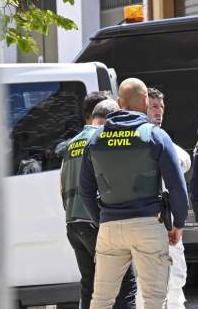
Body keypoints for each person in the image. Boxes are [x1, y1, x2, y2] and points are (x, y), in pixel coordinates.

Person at [80, 78, 189, 309]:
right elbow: (177, 186)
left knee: (101, 300)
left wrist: (102, 220)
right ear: (145, 101)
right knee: (153, 299)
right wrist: (178, 224)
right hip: (148, 225)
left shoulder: (95, 139)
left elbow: (85, 190)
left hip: (110, 227)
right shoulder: (155, 136)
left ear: (119, 102)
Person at [60, 96, 136, 309]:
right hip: (96, 223)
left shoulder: (71, 143)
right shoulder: (101, 140)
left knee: (90, 286)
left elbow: (62, 185)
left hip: (73, 224)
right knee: (125, 283)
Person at [146, 87, 191, 309]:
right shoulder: (143, 139)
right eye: (154, 106)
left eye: (162, 107)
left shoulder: (166, 142)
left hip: (169, 223)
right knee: (150, 287)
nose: (159, 111)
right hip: (148, 224)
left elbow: (184, 160)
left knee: (175, 281)